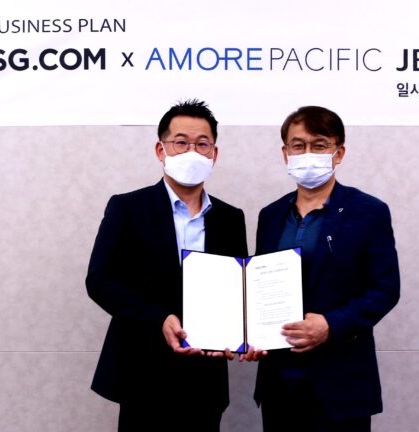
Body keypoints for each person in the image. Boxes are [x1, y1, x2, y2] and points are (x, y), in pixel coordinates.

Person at [86, 99, 248, 431]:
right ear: (161, 150)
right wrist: (158, 317)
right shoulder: (128, 208)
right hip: (143, 373)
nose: (192, 152)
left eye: (202, 144)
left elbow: (238, 289)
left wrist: (243, 332)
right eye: (181, 142)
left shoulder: (230, 218)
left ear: (214, 154)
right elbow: (100, 280)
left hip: (206, 378)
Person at [244, 106, 400, 431]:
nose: (308, 154)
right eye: (298, 146)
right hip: (279, 383)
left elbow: (385, 289)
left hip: (340, 382)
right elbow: (259, 285)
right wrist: (250, 334)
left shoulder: (368, 211)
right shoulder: (270, 215)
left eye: (319, 145)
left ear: (338, 153)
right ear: (285, 154)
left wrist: (331, 324)